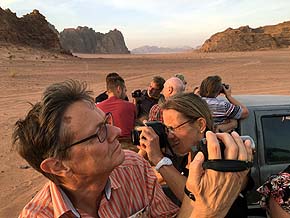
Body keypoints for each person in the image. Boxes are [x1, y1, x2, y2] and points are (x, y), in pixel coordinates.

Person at [13, 80, 252, 217]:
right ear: (58, 165)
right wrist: (207, 211)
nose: (117, 132)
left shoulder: (133, 167)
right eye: (99, 132)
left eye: (106, 122)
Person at [137, 92, 254, 218]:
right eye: (166, 129)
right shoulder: (184, 154)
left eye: (174, 128)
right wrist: (146, 147)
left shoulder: (224, 155)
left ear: (200, 125)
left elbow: (197, 200)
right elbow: (138, 173)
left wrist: (159, 159)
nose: (170, 136)